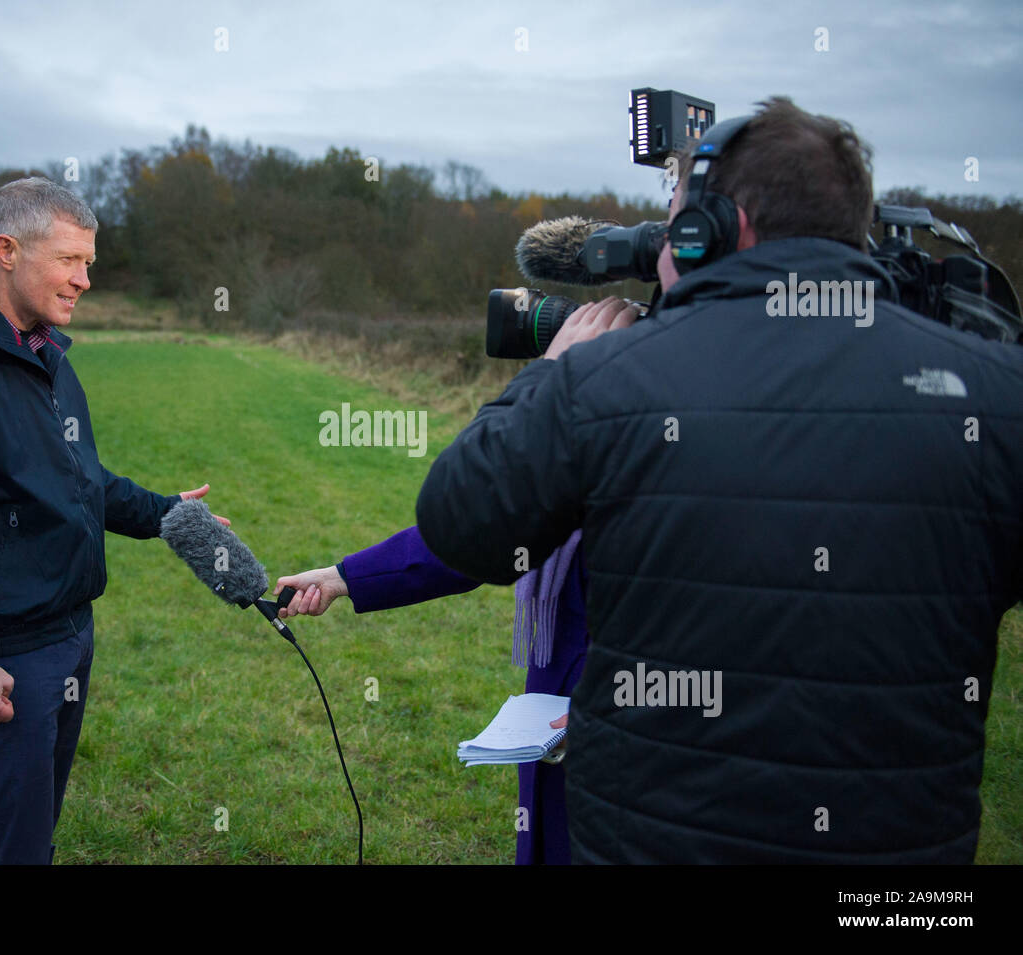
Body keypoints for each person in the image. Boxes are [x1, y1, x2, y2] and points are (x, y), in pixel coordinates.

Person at [415, 97, 1023, 863]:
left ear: (715, 230)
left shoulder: (603, 384)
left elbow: (459, 518)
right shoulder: (997, 401)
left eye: (675, 219)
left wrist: (549, 376)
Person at [0, 177, 226, 864]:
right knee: (10, 850)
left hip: (68, 636)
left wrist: (170, 515)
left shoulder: (44, 353)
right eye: (69, 261)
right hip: (4, 654)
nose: (85, 279)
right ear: (7, 250)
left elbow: (79, 481)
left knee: (30, 837)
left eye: (88, 262)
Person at [272, 297, 636, 866]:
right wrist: (345, 577)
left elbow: (478, 498)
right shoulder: (590, 437)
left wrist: (552, 382)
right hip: (560, 734)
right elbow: (484, 534)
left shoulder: (642, 438)